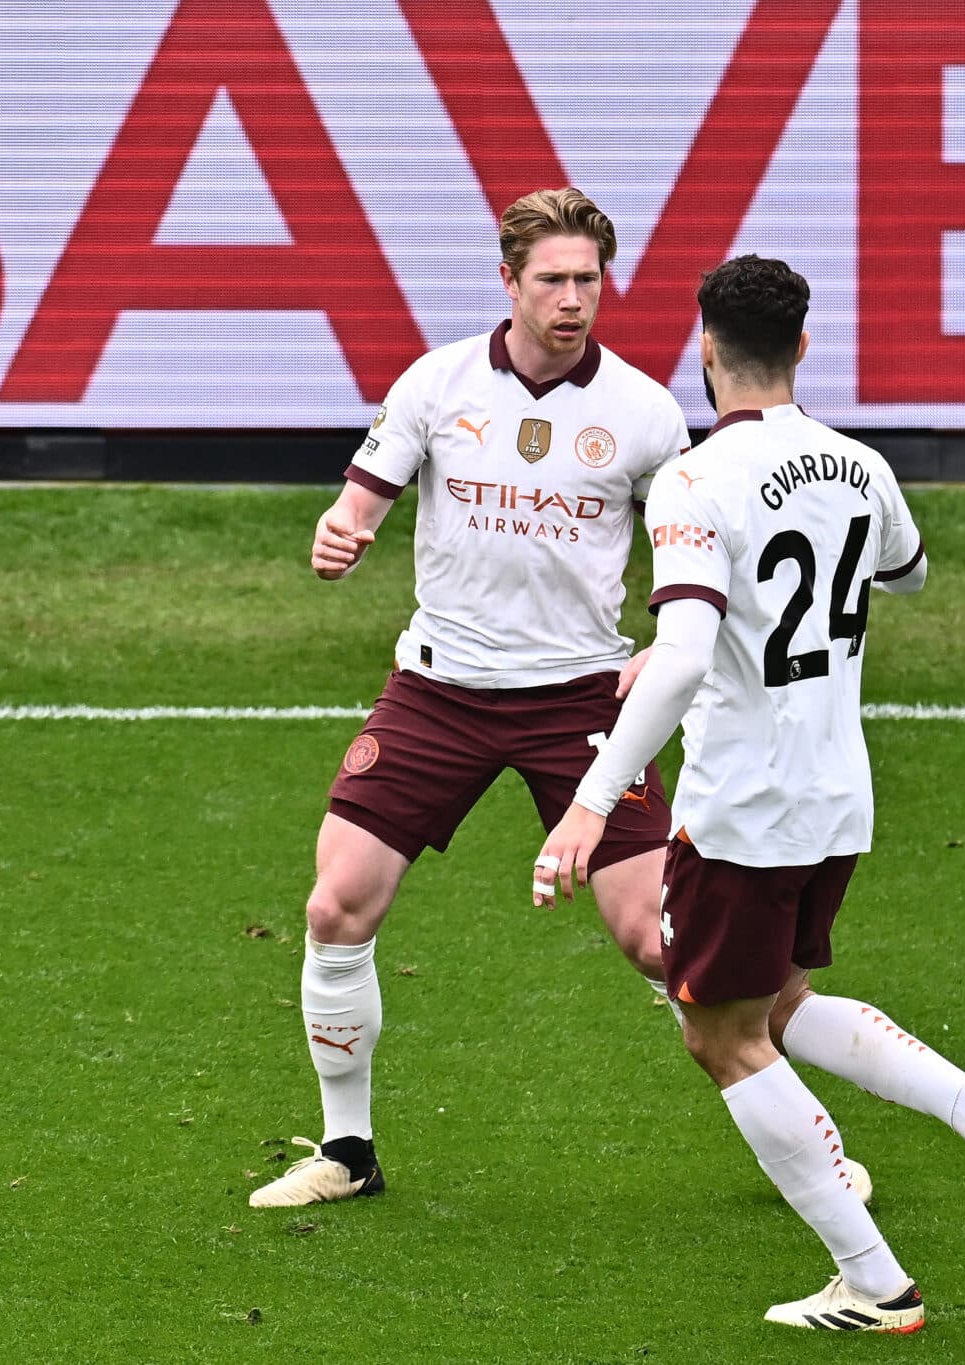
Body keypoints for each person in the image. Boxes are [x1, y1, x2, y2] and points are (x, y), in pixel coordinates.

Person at [533, 254, 965, 1332]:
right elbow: (905, 572)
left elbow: (683, 654)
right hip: (834, 796)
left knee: (719, 1039)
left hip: (741, 804)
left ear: (703, 352)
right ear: (805, 349)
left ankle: (874, 1284)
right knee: (771, 1002)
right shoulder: (857, 465)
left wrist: (590, 801)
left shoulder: (691, 478)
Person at [246, 188, 696, 1209]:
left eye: (587, 279)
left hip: (578, 699)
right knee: (334, 905)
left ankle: (799, 1138)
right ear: (508, 281)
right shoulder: (437, 381)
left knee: (655, 938)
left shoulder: (643, 413)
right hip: (436, 691)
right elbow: (358, 502)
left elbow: (690, 556)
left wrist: (668, 644)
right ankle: (346, 1152)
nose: (573, 299)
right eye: (553, 280)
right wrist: (337, 537)